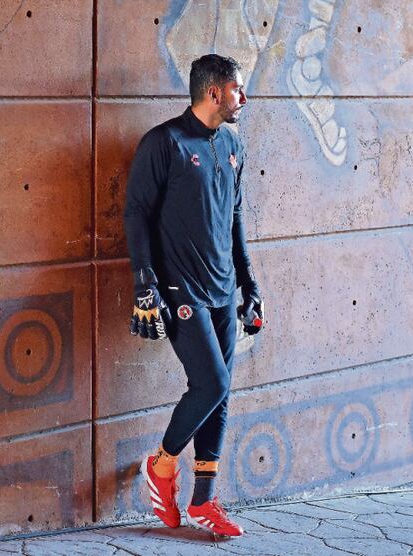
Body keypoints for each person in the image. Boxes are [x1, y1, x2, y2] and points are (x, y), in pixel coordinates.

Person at [123, 54, 265, 538]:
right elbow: (137, 214)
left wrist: (251, 286)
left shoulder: (232, 145)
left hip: (224, 288)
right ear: (213, 92)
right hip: (182, 288)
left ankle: (203, 502)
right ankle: (161, 466)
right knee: (212, 385)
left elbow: (236, 219)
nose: (243, 98)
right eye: (237, 89)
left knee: (220, 395)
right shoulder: (164, 143)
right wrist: (145, 283)